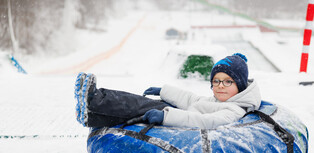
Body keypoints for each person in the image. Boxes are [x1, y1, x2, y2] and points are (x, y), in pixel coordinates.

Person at [74, 53, 261, 129]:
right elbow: (193, 100)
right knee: (140, 102)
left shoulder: (234, 110)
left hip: (186, 129)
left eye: (228, 82)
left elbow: (205, 121)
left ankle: (93, 102)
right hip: (183, 116)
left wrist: (166, 117)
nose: (220, 86)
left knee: (141, 109)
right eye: (216, 81)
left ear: (240, 84)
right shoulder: (225, 100)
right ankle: (93, 110)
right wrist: (164, 91)